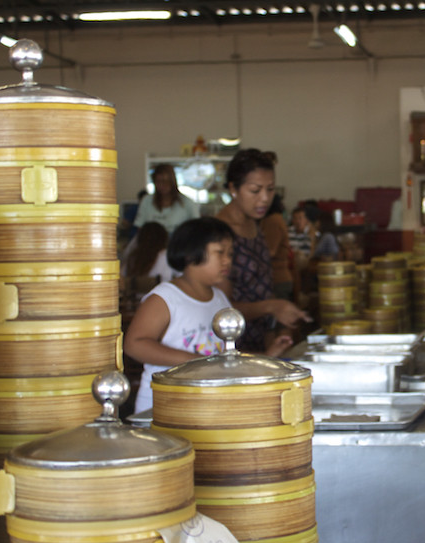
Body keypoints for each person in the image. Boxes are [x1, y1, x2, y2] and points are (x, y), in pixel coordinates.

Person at [123, 218, 293, 414]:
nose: (227, 260)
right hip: (164, 406)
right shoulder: (165, 298)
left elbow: (224, 357)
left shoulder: (219, 299)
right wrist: (198, 363)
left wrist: (267, 357)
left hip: (206, 406)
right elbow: (134, 344)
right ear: (190, 254)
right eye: (219, 252)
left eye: (230, 253)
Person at [216, 149, 311, 352]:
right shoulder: (218, 233)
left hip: (261, 345)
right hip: (230, 351)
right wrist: (272, 307)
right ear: (233, 188)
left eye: (270, 189)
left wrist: (276, 331)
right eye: (255, 190)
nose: (265, 198)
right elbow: (221, 308)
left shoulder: (254, 225)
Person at [133, 164, 200, 234]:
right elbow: (140, 228)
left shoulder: (187, 203)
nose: (162, 185)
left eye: (165, 181)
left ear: (172, 181)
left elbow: (196, 229)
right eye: (158, 182)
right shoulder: (147, 201)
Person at [261, 194, 294, 300]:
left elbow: (271, 251)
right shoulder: (274, 219)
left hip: (277, 278)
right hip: (276, 278)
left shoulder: (273, 220)